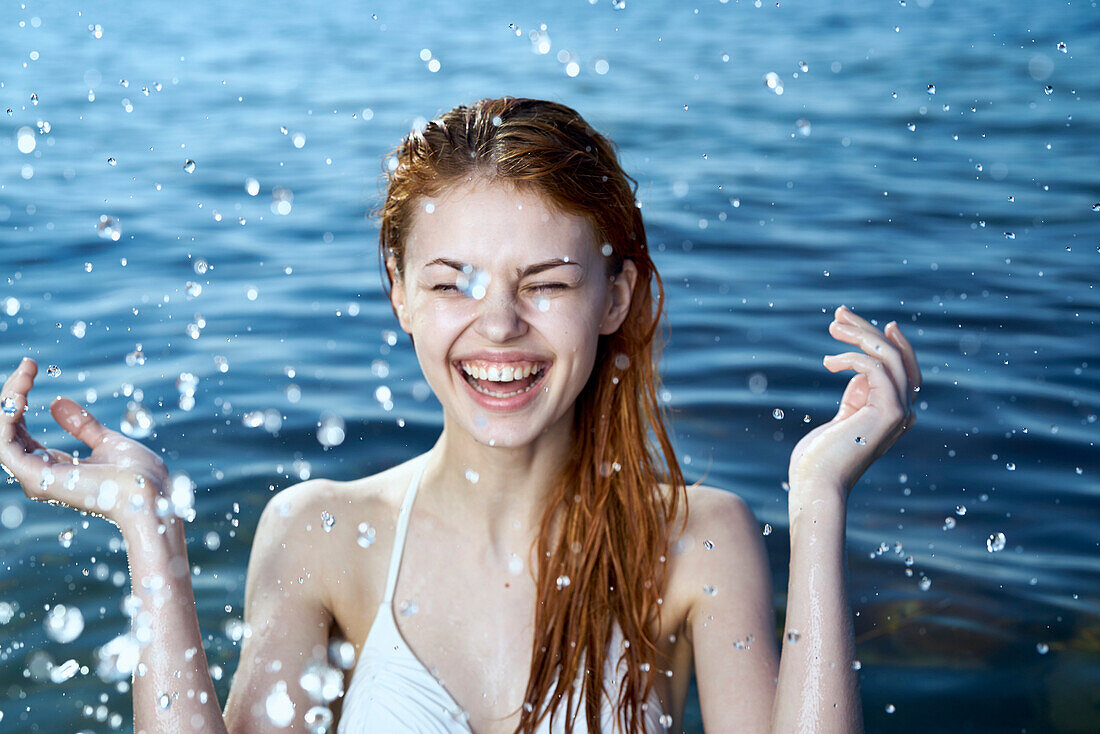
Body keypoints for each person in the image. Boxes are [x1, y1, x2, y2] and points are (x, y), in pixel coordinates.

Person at [0, 96, 920, 733]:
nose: (500, 327)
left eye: (547, 282)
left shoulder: (696, 539)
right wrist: (147, 527)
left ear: (613, 297)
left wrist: (818, 496)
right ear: (399, 292)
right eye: (453, 284)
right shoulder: (322, 532)